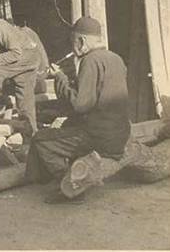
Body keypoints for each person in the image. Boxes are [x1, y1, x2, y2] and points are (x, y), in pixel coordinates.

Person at [25, 16, 131, 203]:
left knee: (41, 139)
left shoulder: (90, 60)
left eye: (73, 42)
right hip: (120, 134)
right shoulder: (116, 58)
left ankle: (70, 186)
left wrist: (60, 77)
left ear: (81, 41)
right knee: (67, 126)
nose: (72, 49)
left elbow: (81, 106)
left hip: (99, 137)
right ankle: (63, 176)